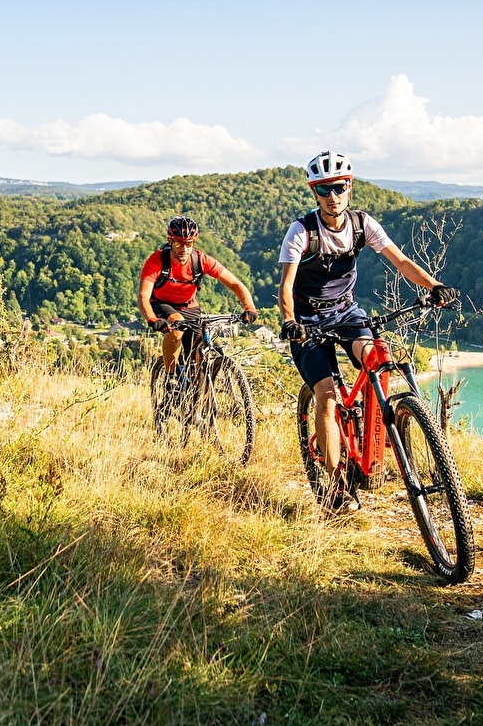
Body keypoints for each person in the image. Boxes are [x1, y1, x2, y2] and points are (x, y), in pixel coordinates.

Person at [278, 151, 459, 512]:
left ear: (349, 186)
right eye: (324, 189)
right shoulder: (302, 232)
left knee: (377, 357)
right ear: (315, 192)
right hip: (308, 321)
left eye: (339, 187)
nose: (333, 196)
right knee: (327, 395)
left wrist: (434, 286)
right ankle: (335, 486)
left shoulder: (362, 225)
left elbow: (401, 261)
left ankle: (374, 434)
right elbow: (285, 286)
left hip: (346, 312)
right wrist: (289, 321)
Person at [138, 216, 258, 375]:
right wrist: (152, 319)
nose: (184, 249)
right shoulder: (157, 260)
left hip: (189, 306)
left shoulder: (201, 260)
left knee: (197, 356)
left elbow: (235, 284)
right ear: (170, 241)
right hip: (161, 303)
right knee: (176, 324)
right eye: (178, 243)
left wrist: (249, 307)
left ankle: (196, 385)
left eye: (188, 244)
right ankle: (170, 376)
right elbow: (143, 295)